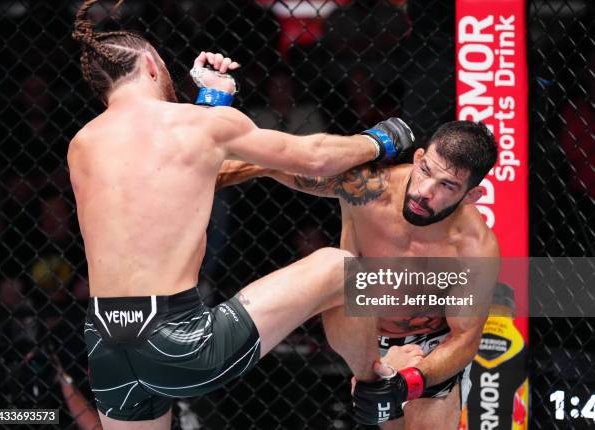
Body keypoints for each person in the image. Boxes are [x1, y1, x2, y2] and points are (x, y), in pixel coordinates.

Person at [68, 1, 422, 428]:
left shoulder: (83, 144)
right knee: (340, 267)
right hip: (176, 341)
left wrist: (214, 98)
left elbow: (170, 176)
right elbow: (312, 157)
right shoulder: (197, 126)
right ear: (150, 64)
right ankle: (373, 387)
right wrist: (382, 138)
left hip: (105, 347)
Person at [216, 120, 501, 428]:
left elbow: (465, 339)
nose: (423, 192)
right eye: (426, 171)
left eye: (447, 186)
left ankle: (385, 380)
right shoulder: (369, 189)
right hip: (360, 332)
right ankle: (369, 374)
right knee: (337, 269)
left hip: (428, 345)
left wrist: (408, 382)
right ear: (418, 158)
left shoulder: (474, 247)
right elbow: (271, 162)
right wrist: (195, 175)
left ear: (472, 195)